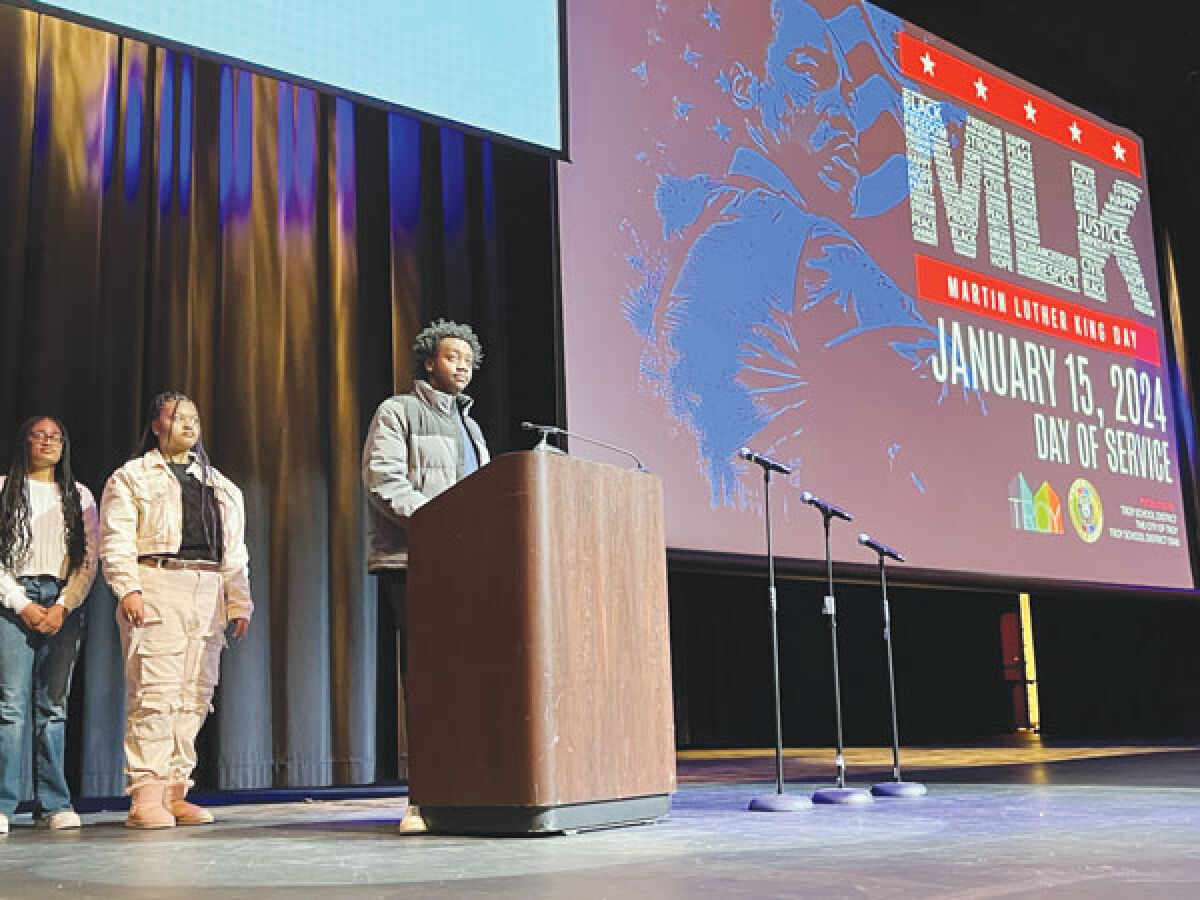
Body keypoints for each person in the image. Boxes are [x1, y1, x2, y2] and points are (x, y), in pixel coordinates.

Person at [650, 0, 962, 504]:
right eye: (811, 75)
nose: (845, 115)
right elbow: (956, 403)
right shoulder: (802, 242)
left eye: (847, 96)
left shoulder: (712, 217)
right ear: (747, 86)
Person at [100, 392, 252, 829]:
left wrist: (238, 600)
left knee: (195, 695)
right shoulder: (132, 477)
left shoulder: (221, 486)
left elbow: (235, 551)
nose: (188, 425)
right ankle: (145, 796)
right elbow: (116, 539)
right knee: (156, 691)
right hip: (157, 581)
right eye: (178, 417)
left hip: (207, 590)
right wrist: (128, 588)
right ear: (156, 425)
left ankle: (175, 789)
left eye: (194, 419)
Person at [362, 319, 489, 832]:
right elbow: (382, 479)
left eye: (468, 359)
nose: (461, 365)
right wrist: (441, 527)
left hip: (471, 564)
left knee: (471, 679)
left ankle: (472, 787)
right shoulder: (399, 412)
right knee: (428, 682)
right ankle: (423, 796)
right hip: (415, 563)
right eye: (451, 356)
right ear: (429, 361)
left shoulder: (472, 426)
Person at [0, 416, 98, 834]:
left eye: (55, 436)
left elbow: (88, 559)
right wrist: (21, 604)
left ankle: (53, 802)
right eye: (38, 435)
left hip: (62, 603)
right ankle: (4, 804)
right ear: (25, 442)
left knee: (53, 707)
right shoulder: (4, 487)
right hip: (13, 601)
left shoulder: (78, 495)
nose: (47, 442)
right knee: (12, 708)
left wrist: (63, 605)